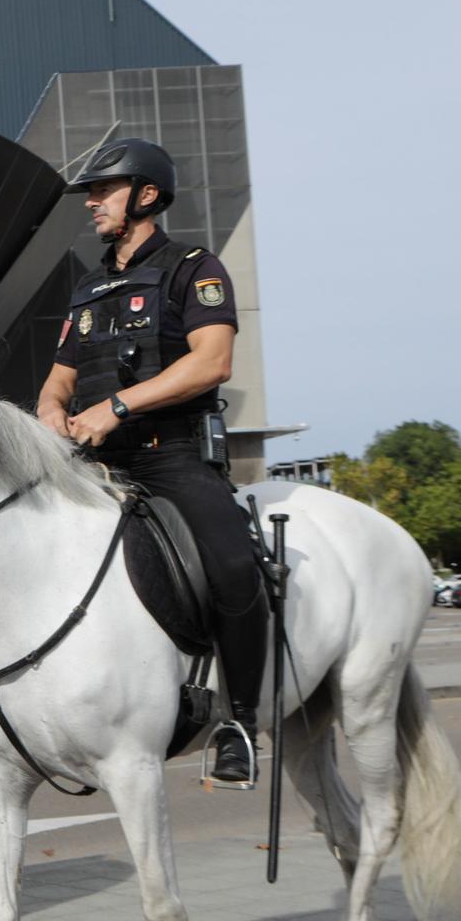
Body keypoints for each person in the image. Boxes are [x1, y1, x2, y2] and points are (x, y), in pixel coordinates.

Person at [37, 138, 268, 785]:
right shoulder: (88, 286)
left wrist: (116, 406)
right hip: (96, 467)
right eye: (90, 193)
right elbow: (57, 383)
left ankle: (240, 723)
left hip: (174, 457)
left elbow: (211, 362)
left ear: (145, 195)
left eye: (102, 191)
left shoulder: (194, 268)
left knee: (231, 563)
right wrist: (53, 415)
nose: (91, 204)